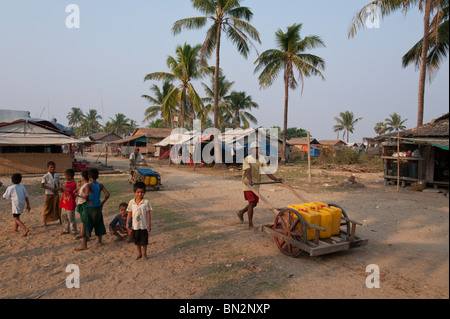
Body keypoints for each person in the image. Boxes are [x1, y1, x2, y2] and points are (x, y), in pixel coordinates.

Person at [237, 143, 283, 230]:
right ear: (251, 150)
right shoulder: (248, 159)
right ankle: (250, 224)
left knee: (254, 203)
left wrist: (276, 179)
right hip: (247, 184)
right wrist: (250, 180)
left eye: (258, 148)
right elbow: (247, 170)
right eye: (255, 149)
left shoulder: (261, 158)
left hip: (256, 184)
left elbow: (267, 171)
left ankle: (241, 212)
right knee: (251, 203)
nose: (256, 150)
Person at [75, 168, 110, 251]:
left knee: (86, 226)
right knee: (98, 224)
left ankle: (84, 245)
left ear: (89, 176)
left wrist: (84, 199)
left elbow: (86, 195)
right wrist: (102, 203)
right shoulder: (100, 185)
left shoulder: (88, 185)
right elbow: (107, 194)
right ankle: (100, 241)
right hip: (98, 208)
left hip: (90, 208)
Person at [126, 182, 152, 260]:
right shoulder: (131, 202)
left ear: (144, 193)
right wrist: (127, 223)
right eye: (138, 192)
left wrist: (149, 225)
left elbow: (148, 214)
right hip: (135, 226)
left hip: (144, 226)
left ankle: (144, 254)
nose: (140, 194)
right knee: (136, 241)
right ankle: (139, 253)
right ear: (134, 192)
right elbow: (129, 213)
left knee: (144, 241)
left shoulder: (146, 202)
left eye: (142, 192)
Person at [41, 161, 61, 226]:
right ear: (48, 168)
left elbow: (59, 183)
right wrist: (50, 188)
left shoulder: (57, 176)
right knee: (47, 207)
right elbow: (42, 185)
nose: (52, 168)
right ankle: (45, 220)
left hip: (56, 193)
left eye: (53, 167)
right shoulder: (46, 176)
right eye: (51, 167)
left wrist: (58, 188)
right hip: (49, 193)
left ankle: (60, 219)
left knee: (57, 206)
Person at [59, 169, 78, 236]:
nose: (65, 176)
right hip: (64, 203)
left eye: (65, 175)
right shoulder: (67, 183)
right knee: (64, 217)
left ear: (69, 176)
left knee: (71, 218)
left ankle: (74, 230)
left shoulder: (73, 184)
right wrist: (61, 188)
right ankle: (66, 229)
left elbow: (69, 190)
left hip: (70, 204)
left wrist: (62, 187)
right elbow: (64, 191)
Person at [75, 170, 89, 240]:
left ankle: (85, 234)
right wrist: (79, 185)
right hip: (81, 203)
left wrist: (78, 195)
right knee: (82, 220)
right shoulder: (84, 185)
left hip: (84, 204)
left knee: (84, 220)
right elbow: (77, 191)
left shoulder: (86, 186)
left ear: (83, 177)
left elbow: (86, 197)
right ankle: (82, 233)